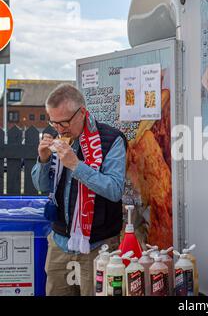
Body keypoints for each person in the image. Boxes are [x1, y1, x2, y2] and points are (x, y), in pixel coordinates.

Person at [32, 84, 127, 296]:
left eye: (64, 122)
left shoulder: (111, 140)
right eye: (53, 122)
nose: (59, 129)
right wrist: (44, 160)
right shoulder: (57, 138)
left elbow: (114, 189)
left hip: (98, 247)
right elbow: (41, 187)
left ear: (82, 112)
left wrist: (76, 165)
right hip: (59, 242)